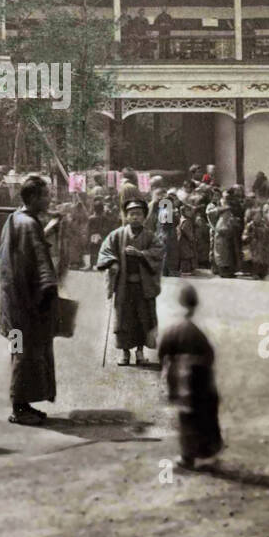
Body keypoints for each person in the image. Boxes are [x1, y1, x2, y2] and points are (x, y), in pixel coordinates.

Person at [0, 175, 60, 425]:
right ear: (33, 198)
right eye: (46, 195)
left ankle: (23, 403)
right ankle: (18, 408)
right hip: (24, 303)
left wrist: (49, 229)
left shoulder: (15, 219)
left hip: (12, 300)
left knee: (19, 351)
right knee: (23, 353)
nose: (49, 199)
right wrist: (48, 290)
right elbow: (40, 260)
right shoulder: (28, 224)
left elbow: (26, 252)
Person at [158, 282, 222, 470]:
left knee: (187, 419)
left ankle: (188, 457)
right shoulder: (201, 326)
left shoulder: (172, 326)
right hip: (202, 377)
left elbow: (163, 353)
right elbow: (210, 355)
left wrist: (168, 372)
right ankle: (207, 452)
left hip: (183, 379)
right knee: (205, 416)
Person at [97, 196, 164, 366]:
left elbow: (158, 252)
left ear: (144, 217)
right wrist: (112, 263)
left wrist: (141, 254)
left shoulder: (150, 236)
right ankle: (125, 353)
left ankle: (140, 352)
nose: (135, 217)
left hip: (143, 287)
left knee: (143, 319)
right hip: (124, 286)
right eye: (131, 214)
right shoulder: (117, 235)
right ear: (126, 216)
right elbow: (105, 251)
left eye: (139, 214)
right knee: (124, 320)